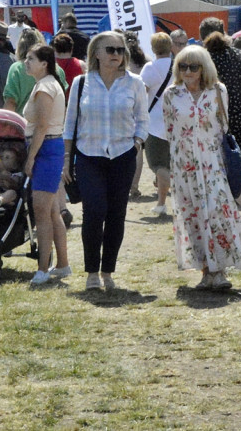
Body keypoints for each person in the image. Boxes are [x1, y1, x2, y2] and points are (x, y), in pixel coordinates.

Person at [164, 45, 241, 290]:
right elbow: (170, 130)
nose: (188, 71)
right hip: (184, 166)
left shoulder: (217, 91)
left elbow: (222, 126)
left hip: (212, 162)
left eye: (193, 66)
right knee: (193, 215)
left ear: (204, 68)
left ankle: (221, 270)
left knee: (216, 213)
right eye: (183, 66)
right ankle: (206, 271)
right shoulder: (172, 94)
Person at [63, 31, 148, 291]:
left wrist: (137, 143)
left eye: (120, 50)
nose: (116, 55)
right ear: (96, 53)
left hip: (123, 155)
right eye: (110, 50)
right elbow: (70, 125)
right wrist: (67, 160)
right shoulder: (80, 83)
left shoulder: (134, 83)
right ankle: (91, 272)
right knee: (94, 211)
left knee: (116, 215)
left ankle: (108, 271)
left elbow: (143, 121)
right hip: (89, 155)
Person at [200, 17, 241, 245]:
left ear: (202, 37)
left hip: (216, 124)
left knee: (215, 177)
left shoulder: (202, 61)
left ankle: (227, 229)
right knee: (240, 173)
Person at [23, 44, 72, 286]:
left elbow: (42, 126)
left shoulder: (44, 87)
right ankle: (62, 264)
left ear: (44, 63)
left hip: (46, 149)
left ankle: (42, 269)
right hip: (51, 148)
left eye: (30, 58)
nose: (25, 61)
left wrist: (31, 157)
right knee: (52, 211)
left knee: (42, 212)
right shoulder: (49, 83)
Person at [138, 32, 174, 217]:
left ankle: (176, 195)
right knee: (168, 166)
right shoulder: (179, 66)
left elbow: (141, 94)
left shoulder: (150, 68)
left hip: (155, 123)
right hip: (177, 121)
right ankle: (161, 203)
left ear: (153, 49)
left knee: (157, 165)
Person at [4, 29, 67, 115]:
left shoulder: (16, 68)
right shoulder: (57, 69)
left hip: (24, 124)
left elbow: (10, 102)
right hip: (53, 123)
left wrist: (6, 125)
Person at [121, 29, 148, 198]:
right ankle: (134, 185)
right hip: (141, 108)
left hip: (125, 106)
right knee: (138, 150)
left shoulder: (122, 62)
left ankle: (125, 183)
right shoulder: (146, 61)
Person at [52, 33, 85, 102]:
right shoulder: (81, 65)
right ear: (72, 48)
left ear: (54, 48)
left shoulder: (49, 64)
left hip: (56, 104)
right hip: (75, 103)